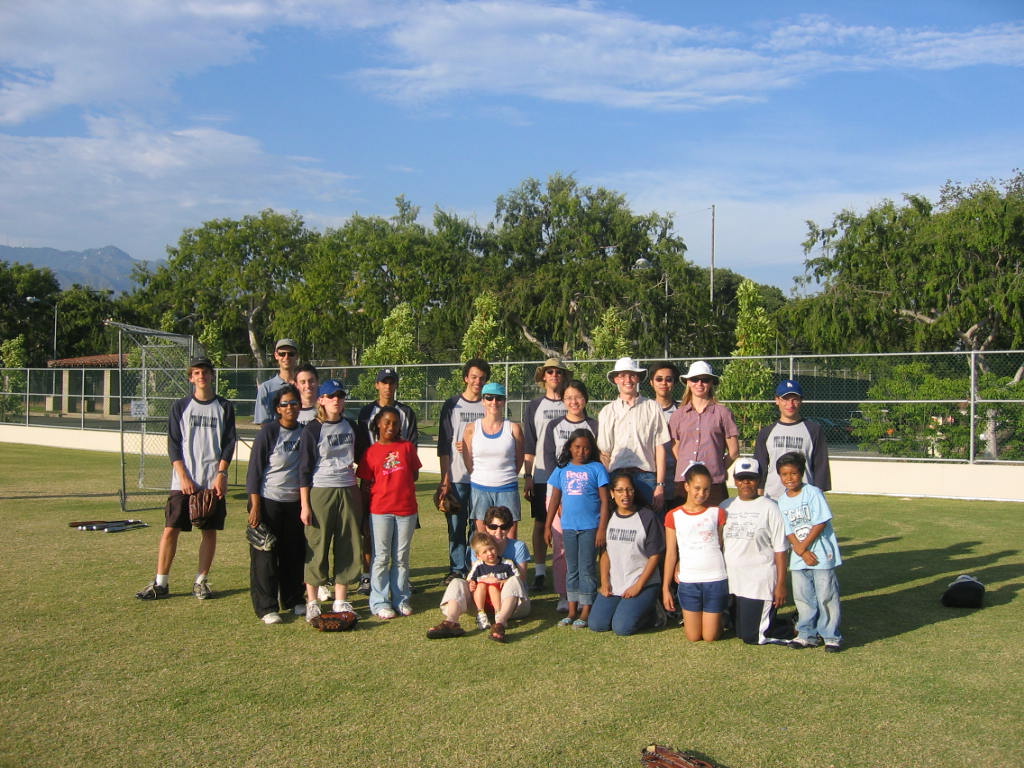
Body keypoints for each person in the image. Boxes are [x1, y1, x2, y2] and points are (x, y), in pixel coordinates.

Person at [136, 356, 237, 601]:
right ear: (191, 378)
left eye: (205, 372)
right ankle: (161, 583)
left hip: (211, 481)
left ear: (212, 375)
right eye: (196, 372)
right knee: (170, 529)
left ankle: (200, 581)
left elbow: (228, 443)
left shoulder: (224, 406)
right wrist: (183, 477)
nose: (201, 376)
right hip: (183, 482)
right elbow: (173, 444)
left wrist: (221, 474)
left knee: (209, 531)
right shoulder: (181, 406)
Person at [297, 379, 362, 621]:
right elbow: (304, 470)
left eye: (340, 396)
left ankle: (340, 599)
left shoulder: (351, 426)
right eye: (331, 396)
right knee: (317, 544)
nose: (336, 400)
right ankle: (313, 601)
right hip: (321, 490)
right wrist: (305, 505)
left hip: (347, 489)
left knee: (348, 543)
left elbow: (362, 457)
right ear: (321, 400)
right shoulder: (313, 429)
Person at [355, 367, 421, 596]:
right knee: (369, 531)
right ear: (377, 385)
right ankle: (367, 576)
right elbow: (362, 446)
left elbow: (411, 447)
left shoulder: (406, 412)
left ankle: (401, 583)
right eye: (384, 382)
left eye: (392, 382)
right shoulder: (366, 412)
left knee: (400, 539)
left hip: (400, 483)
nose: (388, 387)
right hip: (373, 480)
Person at [245, 384, 305, 624]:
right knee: (266, 555)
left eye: (294, 403)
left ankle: (293, 598)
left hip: (295, 503)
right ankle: (267, 607)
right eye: (284, 404)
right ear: (277, 409)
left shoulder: (305, 432)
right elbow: (254, 472)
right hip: (269, 501)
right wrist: (255, 506)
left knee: (294, 554)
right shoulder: (269, 432)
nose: (290, 408)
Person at [426, 506, 531, 642]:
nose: (498, 531)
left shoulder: (518, 547)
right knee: (457, 582)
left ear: (510, 527)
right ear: (486, 527)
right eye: (493, 527)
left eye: (504, 527)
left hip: (511, 604)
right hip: (481, 603)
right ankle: (450, 622)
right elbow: (474, 576)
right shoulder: (477, 548)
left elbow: (521, 579)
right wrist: (476, 583)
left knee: (514, 580)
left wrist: (499, 582)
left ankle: (500, 624)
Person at [775, 452, 843, 652]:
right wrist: (800, 550)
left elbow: (820, 522)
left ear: (802, 473)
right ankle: (806, 634)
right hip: (799, 558)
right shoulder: (782, 500)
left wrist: (803, 547)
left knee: (826, 596)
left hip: (820, 555)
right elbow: (788, 529)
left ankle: (831, 636)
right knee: (803, 597)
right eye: (784, 474)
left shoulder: (813, 492)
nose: (789, 478)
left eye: (794, 473)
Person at [541, 379, 598, 613]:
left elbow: (598, 460)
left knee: (586, 549)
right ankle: (564, 594)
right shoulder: (554, 425)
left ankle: (586, 594)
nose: (573, 402)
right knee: (562, 547)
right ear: (563, 400)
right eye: (568, 398)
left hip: (587, 499)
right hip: (559, 496)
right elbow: (549, 462)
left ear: (585, 399)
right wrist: (561, 500)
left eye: (578, 397)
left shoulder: (595, 425)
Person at [721, 458, 790, 645]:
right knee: (738, 632)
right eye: (741, 478)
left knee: (752, 637)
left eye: (751, 478)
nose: (746, 483)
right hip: (734, 583)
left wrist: (781, 584)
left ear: (759, 480)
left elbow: (781, 549)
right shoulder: (725, 506)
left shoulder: (770, 507)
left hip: (759, 582)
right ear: (735, 480)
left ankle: (797, 627)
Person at [545, 429, 610, 628]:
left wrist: (602, 529)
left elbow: (605, 501)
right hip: (569, 528)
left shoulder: (597, 469)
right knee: (571, 569)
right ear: (569, 448)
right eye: (577, 447)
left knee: (587, 569)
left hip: (590, 528)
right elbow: (554, 499)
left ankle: (586, 610)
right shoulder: (562, 470)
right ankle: (572, 611)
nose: (581, 452)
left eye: (586, 448)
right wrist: (547, 526)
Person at [589, 470, 664, 636]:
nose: (626, 495)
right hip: (616, 583)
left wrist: (638, 586)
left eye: (629, 490)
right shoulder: (609, 517)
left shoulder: (647, 517)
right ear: (612, 493)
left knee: (622, 627)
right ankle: (625, 607)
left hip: (643, 583)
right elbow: (605, 554)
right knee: (597, 624)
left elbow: (655, 556)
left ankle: (653, 613)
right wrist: (605, 582)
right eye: (620, 490)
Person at [436, 358, 490, 582]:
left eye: (482, 378)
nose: (477, 381)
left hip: (482, 477)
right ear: (466, 378)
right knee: (456, 525)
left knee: (478, 524)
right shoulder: (452, 404)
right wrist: (445, 479)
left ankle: (474, 565)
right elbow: (444, 445)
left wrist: (473, 444)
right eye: (474, 377)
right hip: (458, 476)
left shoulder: (489, 403)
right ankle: (457, 568)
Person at [662, 463, 728, 642]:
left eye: (706, 489)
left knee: (710, 637)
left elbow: (721, 545)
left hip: (715, 578)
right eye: (697, 488)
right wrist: (666, 587)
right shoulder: (673, 516)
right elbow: (671, 553)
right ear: (687, 486)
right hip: (689, 581)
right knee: (693, 637)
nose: (701, 493)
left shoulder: (717, 513)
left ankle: (721, 617)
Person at [597, 357, 671, 513]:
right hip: (617, 478)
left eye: (632, 375)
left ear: (638, 378)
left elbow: (660, 448)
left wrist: (660, 485)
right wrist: (607, 486)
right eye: (622, 376)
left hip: (647, 478)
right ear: (616, 379)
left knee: (652, 522)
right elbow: (605, 454)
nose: (628, 380)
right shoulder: (607, 412)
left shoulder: (653, 407)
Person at [522, 357, 571, 591]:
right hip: (543, 474)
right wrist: (528, 476)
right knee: (541, 523)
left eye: (558, 372)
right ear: (543, 376)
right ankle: (540, 572)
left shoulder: (571, 402)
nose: (554, 375)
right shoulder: (534, 406)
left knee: (569, 524)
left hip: (570, 475)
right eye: (550, 371)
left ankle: (568, 571)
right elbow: (530, 443)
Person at [668, 361, 739, 506]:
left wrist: (717, 468)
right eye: (695, 379)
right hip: (684, 482)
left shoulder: (723, 413)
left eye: (705, 379)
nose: (699, 383)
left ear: (711, 383)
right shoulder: (678, 415)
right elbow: (676, 447)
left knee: (716, 520)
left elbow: (734, 451)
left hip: (714, 483)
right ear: (688, 382)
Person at [461, 381, 525, 539]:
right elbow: (469, 462)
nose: (494, 402)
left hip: (507, 488)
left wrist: (504, 477)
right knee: (483, 538)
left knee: (509, 537)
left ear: (504, 401)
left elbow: (519, 459)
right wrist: (482, 477)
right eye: (489, 398)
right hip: (480, 489)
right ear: (483, 400)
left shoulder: (514, 428)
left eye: (499, 398)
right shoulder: (471, 429)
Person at [754, 379, 832, 500]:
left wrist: (817, 498)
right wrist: (759, 499)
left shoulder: (814, 430)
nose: (790, 405)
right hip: (773, 498)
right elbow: (761, 468)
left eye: (794, 399)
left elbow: (821, 467)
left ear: (801, 401)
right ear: (777, 400)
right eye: (785, 399)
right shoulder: (766, 432)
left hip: (804, 499)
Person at [466, 531, 519, 630]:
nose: (490, 553)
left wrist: (506, 581)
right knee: (481, 584)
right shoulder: (478, 566)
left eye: (492, 549)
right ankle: (481, 613)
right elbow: (470, 579)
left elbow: (517, 579)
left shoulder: (507, 563)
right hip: (483, 600)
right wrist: (472, 583)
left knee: (492, 587)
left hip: (502, 599)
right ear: (478, 556)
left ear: (496, 548)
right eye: (485, 552)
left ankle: (499, 614)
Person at [649, 361, 681, 507]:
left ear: (674, 383)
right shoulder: (644, 411)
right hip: (651, 479)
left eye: (669, 379)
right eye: (659, 379)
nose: (664, 383)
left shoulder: (683, 412)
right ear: (651, 382)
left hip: (677, 480)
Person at [254, 339, 299, 424]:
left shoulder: (304, 386)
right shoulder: (266, 388)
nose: (286, 357)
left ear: (297, 356)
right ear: (276, 355)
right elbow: (264, 424)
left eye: (291, 354)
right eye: (282, 354)